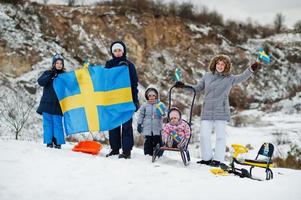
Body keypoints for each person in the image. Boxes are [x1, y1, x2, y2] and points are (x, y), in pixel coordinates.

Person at [177, 54, 259, 166]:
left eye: (223, 64)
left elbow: (242, 77)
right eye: (218, 63)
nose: (220, 66)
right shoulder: (207, 76)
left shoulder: (229, 78)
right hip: (207, 109)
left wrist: (251, 69)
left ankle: (218, 159)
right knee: (204, 135)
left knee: (220, 136)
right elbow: (197, 88)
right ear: (214, 64)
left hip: (221, 109)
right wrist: (184, 86)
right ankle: (206, 158)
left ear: (226, 66)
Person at [105, 41, 139, 159]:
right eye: (115, 51)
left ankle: (126, 150)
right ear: (112, 52)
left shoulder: (129, 65)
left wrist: (135, 100)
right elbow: (104, 82)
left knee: (126, 125)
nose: (117, 53)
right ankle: (114, 149)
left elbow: (134, 84)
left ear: (123, 51)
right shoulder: (109, 65)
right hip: (113, 100)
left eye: (119, 50)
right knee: (113, 124)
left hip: (126, 100)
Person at [37, 54, 66, 149]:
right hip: (46, 103)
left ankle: (58, 143)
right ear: (53, 64)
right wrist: (51, 74)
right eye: (57, 63)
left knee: (57, 124)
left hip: (58, 104)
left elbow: (73, 85)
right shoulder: (48, 73)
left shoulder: (65, 75)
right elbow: (41, 82)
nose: (59, 65)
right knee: (47, 124)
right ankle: (49, 142)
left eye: (61, 63)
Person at [137, 87, 166, 156]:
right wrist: (139, 124)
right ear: (147, 96)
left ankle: (158, 153)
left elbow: (164, 114)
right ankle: (148, 154)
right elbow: (141, 115)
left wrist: (163, 113)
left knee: (157, 141)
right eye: (150, 96)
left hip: (157, 126)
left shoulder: (160, 105)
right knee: (148, 141)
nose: (152, 97)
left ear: (156, 96)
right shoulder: (145, 105)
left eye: (153, 95)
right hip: (147, 127)